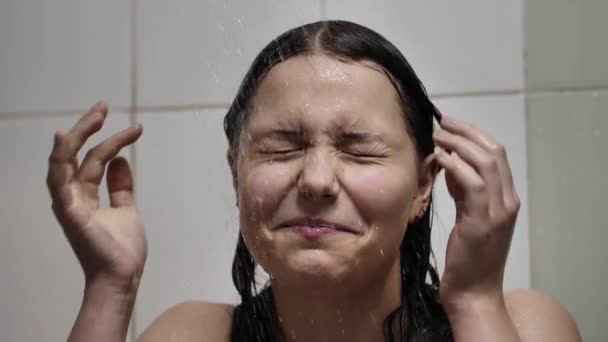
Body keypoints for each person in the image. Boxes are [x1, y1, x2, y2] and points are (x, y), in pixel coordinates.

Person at [47, 20, 581, 342]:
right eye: (282, 146)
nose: (317, 180)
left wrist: (477, 303)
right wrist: (109, 288)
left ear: (424, 187)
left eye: (358, 149)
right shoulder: (194, 334)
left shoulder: (522, 325)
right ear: (236, 176)